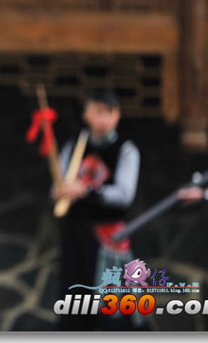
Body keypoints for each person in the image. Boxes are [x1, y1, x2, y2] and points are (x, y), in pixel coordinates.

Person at [51, 90, 143, 330]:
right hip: (75, 235)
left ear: (118, 116)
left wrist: (86, 191)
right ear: (86, 114)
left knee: (109, 306)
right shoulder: (74, 146)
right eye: (98, 112)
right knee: (73, 300)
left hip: (108, 238)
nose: (104, 118)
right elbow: (57, 188)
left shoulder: (126, 150)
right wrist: (60, 191)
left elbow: (124, 195)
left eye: (110, 112)